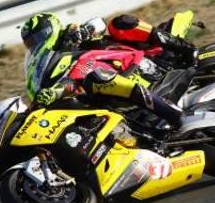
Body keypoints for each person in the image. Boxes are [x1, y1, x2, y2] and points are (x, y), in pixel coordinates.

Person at [21, 12, 196, 128]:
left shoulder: (69, 32)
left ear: (51, 28)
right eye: (30, 43)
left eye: (38, 37)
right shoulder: (50, 62)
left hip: (126, 56)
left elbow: (99, 23)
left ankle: (183, 48)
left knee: (119, 23)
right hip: (94, 76)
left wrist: (85, 31)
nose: (35, 44)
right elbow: (69, 80)